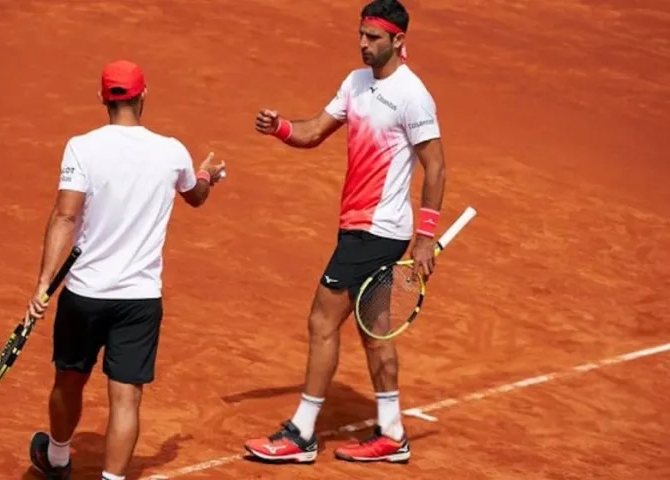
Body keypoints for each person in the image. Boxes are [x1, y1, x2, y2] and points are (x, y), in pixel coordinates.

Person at [243, 0, 446, 465]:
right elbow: (314, 131)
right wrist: (280, 128)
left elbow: (436, 166)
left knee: (321, 321)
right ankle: (392, 434)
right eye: (361, 35)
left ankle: (302, 433)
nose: (362, 44)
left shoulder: (413, 95)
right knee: (375, 333)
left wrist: (426, 237)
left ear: (398, 41)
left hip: (376, 231)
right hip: (357, 226)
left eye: (372, 38)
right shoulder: (355, 84)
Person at [22, 60, 226, 480]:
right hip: (139, 300)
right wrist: (207, 173)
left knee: (68, 380)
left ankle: (57, 457)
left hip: (83, 294)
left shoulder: (82, 147)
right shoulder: (172, 151)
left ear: (103, 98)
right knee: (126, 401)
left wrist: (43, 284)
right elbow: (197, 195)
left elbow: (65, 216)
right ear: (143, 95)